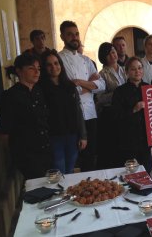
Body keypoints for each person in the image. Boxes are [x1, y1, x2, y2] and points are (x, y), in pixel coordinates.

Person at [58, 20, 106, 172]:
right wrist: (89, 85)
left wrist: (79, 82)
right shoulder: (59, 59)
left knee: (91, 155)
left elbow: (102, 85)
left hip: (91, 114)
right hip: (72, 115)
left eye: (76, 34)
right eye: (70, 34)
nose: (74, 37)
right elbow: (67, 89)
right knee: (72, 157)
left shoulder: (86, 60)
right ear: (62, 37)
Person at [0, 54, 51, 179]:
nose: (37, 72)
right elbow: (3, 131)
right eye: (31, 68)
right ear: (19, 71)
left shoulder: (38, 92)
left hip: (45, 150)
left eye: (38, 68)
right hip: (26, 154)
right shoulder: (10, 96)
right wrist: (8, 158)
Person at [40, 51, 87, 174]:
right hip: (54, 137)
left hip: (72, 136)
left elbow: (78, 111)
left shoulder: (70, 86)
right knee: (58, 170)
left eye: (56, 63)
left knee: (70, 170)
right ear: (44, 68)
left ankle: (68, 193)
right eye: (49, 65)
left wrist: (83, 135)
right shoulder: (41, 89)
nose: (54, 67)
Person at [111, 57, 152, 173]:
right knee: (130, 172)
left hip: (145, 138)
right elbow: (116, 116)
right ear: (127, 72)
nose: (137, 71)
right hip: (128, 140)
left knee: (147, 168)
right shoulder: (119, 91)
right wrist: (134, 109)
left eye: (139, 68)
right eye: (133, 69)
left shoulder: (148, 88)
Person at [96, 42, 126, 169]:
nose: (112, 55)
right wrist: (116, 94)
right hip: (110, 114)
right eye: (108, 54)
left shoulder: (124, 70)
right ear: (104, 57)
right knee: (112, 147)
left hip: (124, 112)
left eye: (113, 51)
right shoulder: (102, 74)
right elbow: (99, 98)